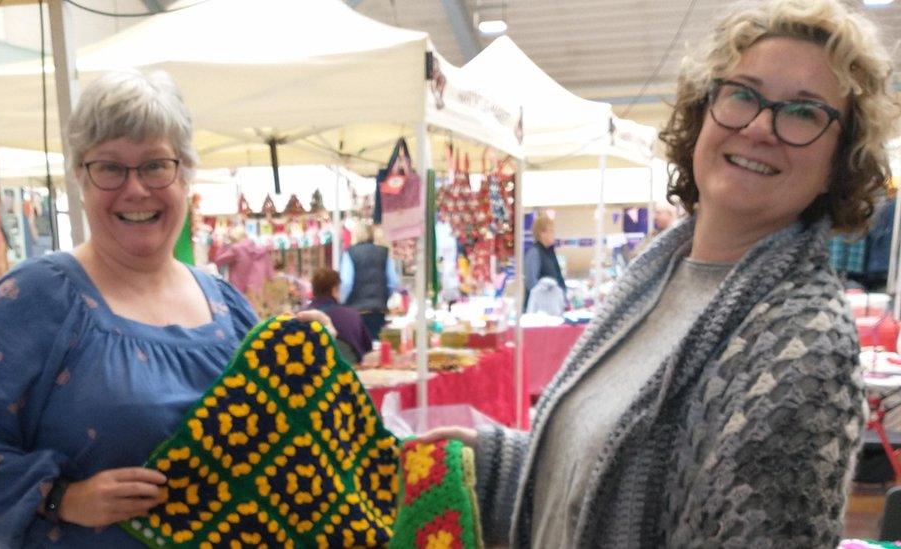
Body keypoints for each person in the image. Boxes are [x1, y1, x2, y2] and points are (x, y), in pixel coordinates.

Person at [423, 0, 899, 546]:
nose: (761, 126)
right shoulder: (656, 280)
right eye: (743, 94)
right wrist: (501, 464)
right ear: (703, 117)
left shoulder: (805, 345)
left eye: (803, 113)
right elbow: (604, 474)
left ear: (838, 165)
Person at [0, 70, 331, 548]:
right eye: (110, 168)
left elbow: (273, 448)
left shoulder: (227, 306)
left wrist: (305, 371)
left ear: (185, 175)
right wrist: (60, 497)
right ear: (81, 178)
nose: (136, 189)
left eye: (156, 165)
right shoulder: (37, 298)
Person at [340, 221, 399, 339]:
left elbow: (347, 283)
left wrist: (341, 303)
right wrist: (383, 296)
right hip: (379, 310)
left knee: (361, 349)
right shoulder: (384, 252)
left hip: (356, 311)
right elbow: (393, 282)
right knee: (377, 348)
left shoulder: (350, 253)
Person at [307, 268, 373, 363]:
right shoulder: (352, 315)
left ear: (313, 290)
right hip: (346, 372)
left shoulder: (300, 318)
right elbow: (367, 348)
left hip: (312, 373)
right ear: (334, 289)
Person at [523, 214, 566, 310]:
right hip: (538, 310)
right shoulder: (534, 253)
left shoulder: (550, 252)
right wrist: (548, 299)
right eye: (551, 231)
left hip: (552, 308)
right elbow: (531, 283)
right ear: (542, 233)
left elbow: (558, 278)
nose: (554, 234)